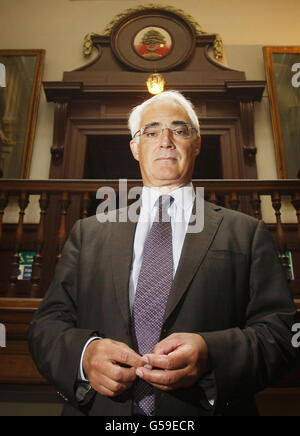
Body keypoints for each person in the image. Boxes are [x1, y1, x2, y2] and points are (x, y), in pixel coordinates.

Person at [29, 90, 297, 417]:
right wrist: (85, 355)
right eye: (151, 131)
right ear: (135, 147)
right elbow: (47, 326)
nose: (165, 140)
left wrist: (212, 354)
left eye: (179, 130)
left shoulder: (246, 233)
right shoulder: (89, 233)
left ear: (196, 144)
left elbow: (282, 334)